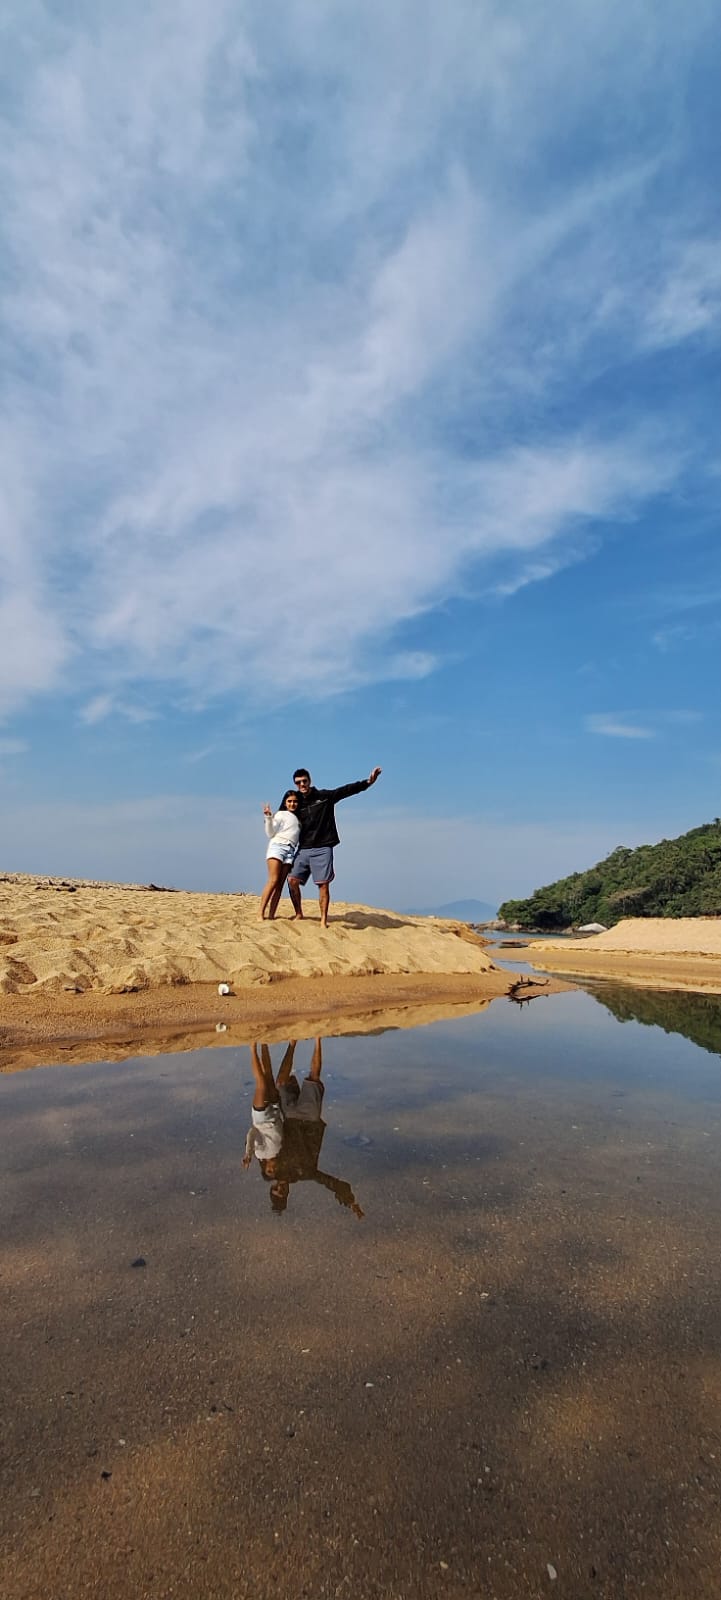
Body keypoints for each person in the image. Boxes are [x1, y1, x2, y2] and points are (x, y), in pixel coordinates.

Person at [243, 1038, 364, 1218]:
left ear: (272, 1187)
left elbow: (261, 1138)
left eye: (275, 1189)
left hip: (289, 1116)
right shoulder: (305, 1172)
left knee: (279, 1083)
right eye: (282, 1192)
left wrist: (248, 1152)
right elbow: (329, 1182)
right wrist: (350, 1200)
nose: (279, 1187)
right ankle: (317, 1038)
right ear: (287, 1192)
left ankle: (293, 1043)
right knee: (314, 1076)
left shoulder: (270, 1164)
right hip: (309, 1119)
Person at [287, 765, 382, 926]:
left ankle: (323, 920)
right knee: (292, 881)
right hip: (303, 848)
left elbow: (346, 790)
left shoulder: (324, 796)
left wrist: (368, 782)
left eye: (304, 781)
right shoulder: (296, 802)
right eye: (298, 783)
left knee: (323, 885)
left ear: (309, 781)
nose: (302, 785)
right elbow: (282, 816)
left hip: (323, 847)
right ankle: (298, 913)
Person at [259, 789, 300, 921]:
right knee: (273, 880)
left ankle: (271, 915)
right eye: (289, 801)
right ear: (285, 802)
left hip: (290, 850)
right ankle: (260, 913)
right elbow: (270, 833)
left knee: (280, 885)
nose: (292, 804)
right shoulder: (280, 814)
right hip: (277, 847)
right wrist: (268, 817)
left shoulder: (299, 819)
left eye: (295, 801)